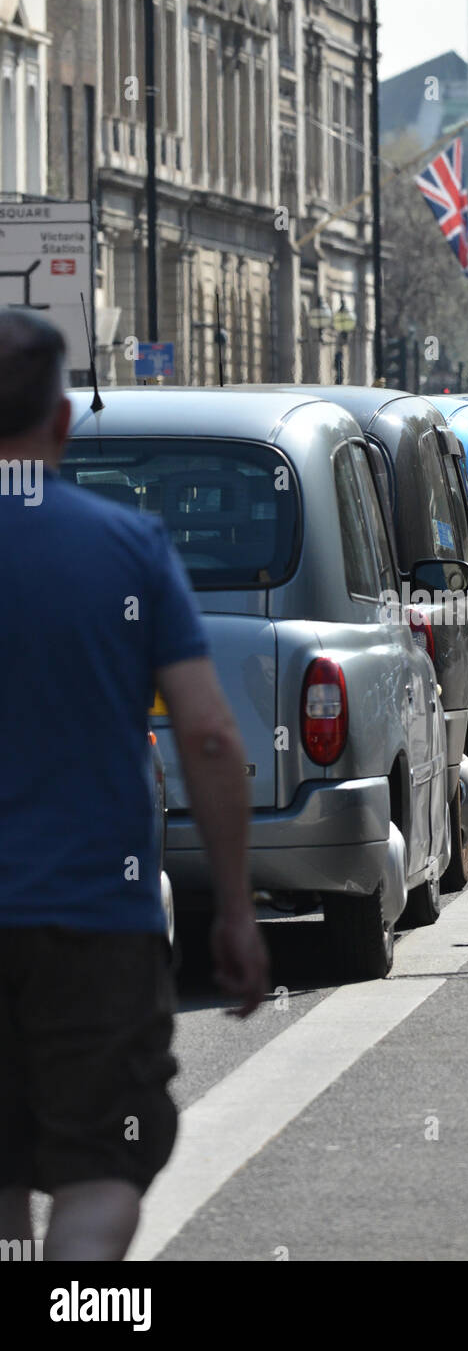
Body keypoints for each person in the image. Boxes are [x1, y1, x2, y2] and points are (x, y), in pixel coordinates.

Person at [0, 308, 269, 1261]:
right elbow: (204, 732)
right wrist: (233, 906)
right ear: (62, 422)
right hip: (91, 921)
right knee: (99, 1170)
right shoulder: (128, 549)